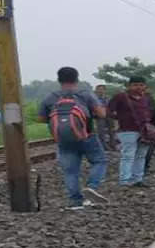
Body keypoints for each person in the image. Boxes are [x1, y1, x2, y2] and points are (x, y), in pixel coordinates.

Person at [38, 67, 109, 209]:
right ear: (77, 79)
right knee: (100, 161)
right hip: (87, 136)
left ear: (59, 80)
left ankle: (76, 202)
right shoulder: (85, 94)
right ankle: (92, 186)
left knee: (71, 171)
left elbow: (41, 119)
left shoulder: (50, 97)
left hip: (63, 139)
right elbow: (101, 114)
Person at [108, 77, 155, 187]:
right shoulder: (120, 96)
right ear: (129, 86)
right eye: (135, 85)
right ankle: (125, 180)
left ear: (145, 86)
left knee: (141, 155)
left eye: (141, 85)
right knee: (128, 155)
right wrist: (119, 119)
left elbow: (151, 112)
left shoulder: (147, 98)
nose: (138, 87)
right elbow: (109, 111)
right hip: (127, 129)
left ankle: (137, 179)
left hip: (144, 130)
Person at [93, 84, 116, 151]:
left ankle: (113, 145)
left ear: (105, 90)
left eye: (102, 89)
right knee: (101, 132)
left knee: (111, 131)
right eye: (99, 89)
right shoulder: (94, 99)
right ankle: (103, 146)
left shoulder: (108, 98)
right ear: (96, 90)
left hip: (109, 116)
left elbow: (112, 106)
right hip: (100, 116)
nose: (101, 91)